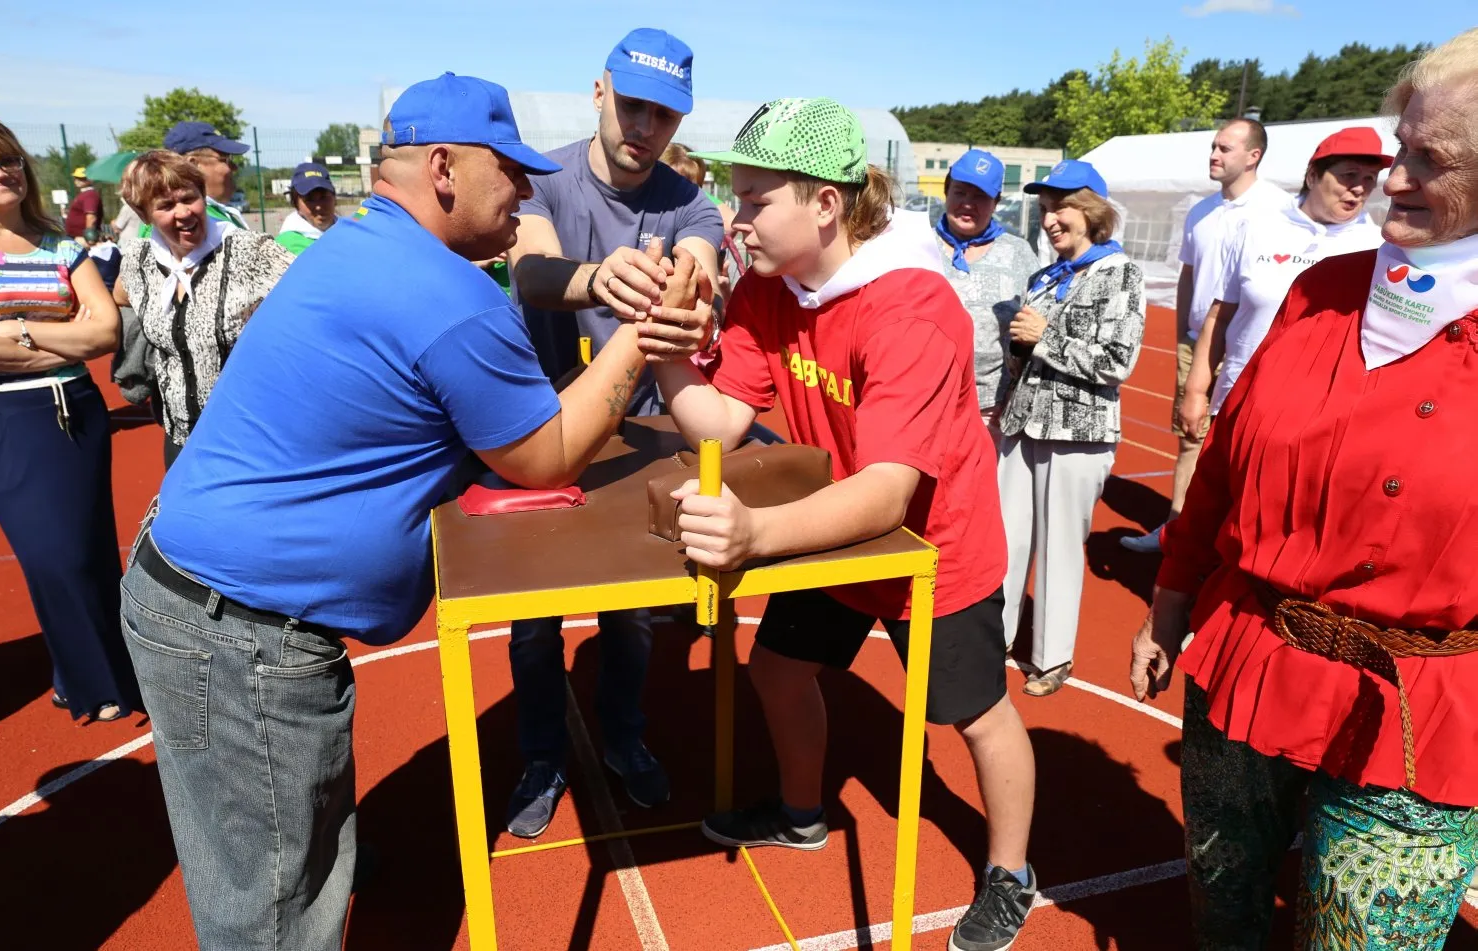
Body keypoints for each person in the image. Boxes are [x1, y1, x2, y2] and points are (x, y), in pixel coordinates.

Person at [118, 72, 713, 951]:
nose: (525, 187)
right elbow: (544, 451)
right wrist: (639, 336)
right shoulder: (446, 292)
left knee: (284, 866)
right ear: (443, 168)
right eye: (507, 170)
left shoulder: (362, 247)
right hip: (241, 630)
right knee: (273, 914)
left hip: (211, 603)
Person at [1129, 28, 1478, 948]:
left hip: (1418, 712)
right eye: (1398, 147)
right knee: (1224, 916)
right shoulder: (1319, 291)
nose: (1391, 180)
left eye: (1426, 160)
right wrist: (1166, 603)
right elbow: (1225, 468)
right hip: (1248, 666)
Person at [663, 97, 1038, 951]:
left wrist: (754, 534)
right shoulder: (769, 287)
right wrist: (661, 349)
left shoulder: (909, 307)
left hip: (933, 545)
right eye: (736, 197)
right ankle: (802, 814)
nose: (736, 219)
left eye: (756, 200)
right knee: (780, 667)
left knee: (974, 713)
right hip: (840, 525)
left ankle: (1011, 872)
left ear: (825, 203)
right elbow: (721, 419)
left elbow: (886, 493)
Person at [505, 27, 724, 837]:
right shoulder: (541, 178)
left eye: (662, 115)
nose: (643, 126)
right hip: (537, 424)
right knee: (532, 618)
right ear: (600, 91)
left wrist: (689, 282)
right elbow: (530, 270)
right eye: (631, 104)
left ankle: (624, 735)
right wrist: (597, 277)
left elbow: (700, 255)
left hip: (636, 437)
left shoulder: (688, 200)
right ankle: (541, 754)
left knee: (633, 610)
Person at [0, 112, 138, 722]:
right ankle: (96, 681)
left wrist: (9, 333)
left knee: (93, 549)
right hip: (1, 419)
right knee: (53, 555)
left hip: (78, 412)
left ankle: (90, 674)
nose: (0, 173)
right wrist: (48, 337)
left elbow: (103, 329)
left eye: (8, 159)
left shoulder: (62, 245)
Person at [998, 161, 1145, 696]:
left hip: (1078, 431)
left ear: (1091, 212)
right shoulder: (1044, 277)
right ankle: (996, 640)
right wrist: (1019, 350)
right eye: (1044, 209)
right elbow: (1029, 350)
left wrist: (1045, 338)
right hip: (1023, 424)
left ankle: (1051, 657)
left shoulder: (1120, 273)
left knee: (1059, 547)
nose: (1050, 220)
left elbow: (1117, 361)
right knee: (1007, 543)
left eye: (1060, 208)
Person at [1121, 118, 1287, 553]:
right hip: (1197, 342)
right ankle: (1177, 536)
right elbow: (1188, 277)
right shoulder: (1200, 212)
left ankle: (1236, 544)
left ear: (1254, 156)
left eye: (1225, 148)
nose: (1214, 155)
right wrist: (1182, 334)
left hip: (1252, 348)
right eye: (1213, 146)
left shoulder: (1280, 211)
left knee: (1244, 447)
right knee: (1191, 437)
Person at [1178, 127, 1389, 437]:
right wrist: (1196, 393)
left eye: (1370, 178)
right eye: (1349, 175)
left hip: (1311, 421)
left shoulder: (1377, 248)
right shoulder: (1257, 227)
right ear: (1313, 175)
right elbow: (1218, 316)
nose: (1359, 188)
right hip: (1236, 402)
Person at [117, 151, 294, 468]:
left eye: (190, 198)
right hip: (180, 437)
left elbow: (317, 299)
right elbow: (119, 296)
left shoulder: (248, 251)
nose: (184, 213)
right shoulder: (139, 261)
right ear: (144, 215)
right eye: (166, 206)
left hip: (251, 439)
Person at [935, 148, 1041, 429]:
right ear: (947, 192)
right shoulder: (919, 246)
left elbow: (1032, 328)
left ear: (996, 202)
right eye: (960, 192)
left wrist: (1013, 394)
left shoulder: (1018, 253)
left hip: (989, 408)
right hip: (924, 399)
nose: (968, 203)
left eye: (980, 196)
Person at [163, 121, 251, 231]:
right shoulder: (192, 223)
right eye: (226, 160)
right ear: (192, 165)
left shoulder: (212, 214)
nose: (234, 167)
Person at [276, 161, 340, 255]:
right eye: (310, 199)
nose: (318, 206)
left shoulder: (348, 230)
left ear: (334, 198)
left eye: (324, 197)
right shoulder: (286, 246)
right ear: (296, 205)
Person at [64, 167, 102, 244]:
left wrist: (89, 239)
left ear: (89, 179)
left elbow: (91, 217)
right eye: (76, 178)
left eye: (82, 178)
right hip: (76, 237)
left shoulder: (90, 195)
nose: (77, 180)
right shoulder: (85, 194)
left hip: (82, 238)